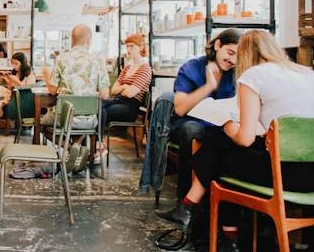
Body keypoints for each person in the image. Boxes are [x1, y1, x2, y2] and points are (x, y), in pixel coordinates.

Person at [156, 30, 314, 252]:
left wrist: (228, 124)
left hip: (282, 176)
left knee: (221, 149)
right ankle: (209, 223)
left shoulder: (253, 76)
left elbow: (244, 138)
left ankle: (196, 214)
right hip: (310, 176)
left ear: (245, 54)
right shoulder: (307, 73)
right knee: (224, 149)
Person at [169, 29, 241, 200]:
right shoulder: (191, 68)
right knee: (193, 130)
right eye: (230, 52)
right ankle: (185, 203)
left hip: (222, 127)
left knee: (235, 137)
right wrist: (209, 86)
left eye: (238, 57)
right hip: (189, 124)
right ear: (217, 45)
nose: (232, 60)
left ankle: (228, 210)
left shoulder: (236, 74)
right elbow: (180, 108)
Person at [42, 24, 110, 176]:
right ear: (89, 40)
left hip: (64, 119)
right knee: (83, 122)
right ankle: (77, 147)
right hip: (89, 120)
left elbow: (52, 90)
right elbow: (105, 95)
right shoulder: (98, 60)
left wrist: (47, 78)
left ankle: (70, 148)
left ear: (72, 40)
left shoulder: (61, 58)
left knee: (41, 124)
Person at [102, 33, 152, 129]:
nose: (128, 49)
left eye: (132, 46)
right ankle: (96, 140)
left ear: (141, 47)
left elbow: (130, 94)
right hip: (117, 100)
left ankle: (97, 141)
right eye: (127, 46)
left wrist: (122, 87)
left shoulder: (145, 68)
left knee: (101, 110)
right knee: (97, 104)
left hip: (130, 107)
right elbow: (113, 90)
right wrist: (124, 87)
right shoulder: (127, 67)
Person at [0, 52, 36, 136]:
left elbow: (28, 89)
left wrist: (16, 81)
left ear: (23, 63)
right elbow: (10, 88)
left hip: (22, 100)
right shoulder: (15, 73)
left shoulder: (29, 74)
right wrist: (8, 81)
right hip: (12, 97)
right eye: (12, 63)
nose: (14, 66)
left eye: (16, 63)